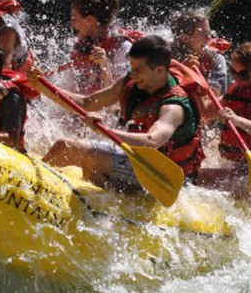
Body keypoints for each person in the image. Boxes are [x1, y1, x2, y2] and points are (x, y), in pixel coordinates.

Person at [34, 35, 205, 189]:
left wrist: (104, 130)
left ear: (160, 70)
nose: (133, 73)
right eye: (132, 66)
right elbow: (86, 103)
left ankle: (96, 208)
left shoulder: (174, 106)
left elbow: (152, 140)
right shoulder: (132, 81)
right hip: (137, 158)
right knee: (63, 146)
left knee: (94, 159)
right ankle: (34, 188)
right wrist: (42, 87)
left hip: (164, 176)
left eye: (138, 69)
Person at [58, 0, 134, 94]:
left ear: (89, 20)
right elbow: (70, 90)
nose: (72, 26)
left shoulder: (123, 47)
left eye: (74, 20)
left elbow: (118, 99)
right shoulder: (81, 46)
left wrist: (105, 66)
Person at [170, 11, 229, 95]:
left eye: (209, 33)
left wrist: (194, 76)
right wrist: (183, 71)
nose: (209, 38)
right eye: (203, 34)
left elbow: (217, 94)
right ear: (185, 38)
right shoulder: (168, 57)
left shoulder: (215, 59)